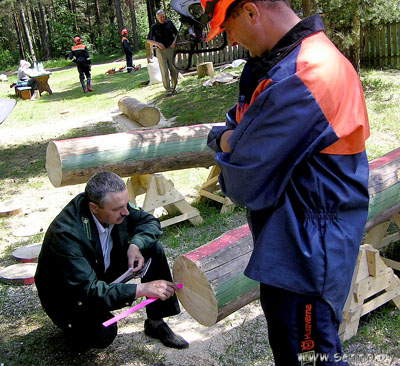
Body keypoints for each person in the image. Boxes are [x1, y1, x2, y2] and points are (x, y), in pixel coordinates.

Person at [203, 0, 370, 365]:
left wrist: (226, 141)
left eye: (226, 26)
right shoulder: (288, 60)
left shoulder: (305, 73)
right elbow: (242, 119)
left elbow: (245, 178)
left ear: (250, 11)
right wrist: (232, 138)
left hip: (308, 243)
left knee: (310, 354)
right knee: (292, 345)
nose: (228, 38)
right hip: (297, 232)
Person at [35, 171, 189, 351]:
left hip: (98, 270)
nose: (126, 212)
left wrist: (136, 245)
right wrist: (141, 289)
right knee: (103, 332)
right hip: (70, 297)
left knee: (152, 248)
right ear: (94, 208)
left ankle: (156, 322)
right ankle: (73, 327)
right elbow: (89, 292)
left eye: (126, 204)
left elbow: (150, 221)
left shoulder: (115, 205)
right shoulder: (67, 235)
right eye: (117, 209)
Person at [147, 10, 179, 96]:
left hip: (171, 48)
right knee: (164, 70)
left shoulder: (169, 23)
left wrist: (174, 42)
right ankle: (168, 90)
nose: (163, 18)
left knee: (173, 68)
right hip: (160, 51)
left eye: (164, 16)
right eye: (161, 17)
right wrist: (157, 44)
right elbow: (149, 40)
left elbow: (177, 34)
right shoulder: (154, 27)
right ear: (157, 18)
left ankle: (174, 87)